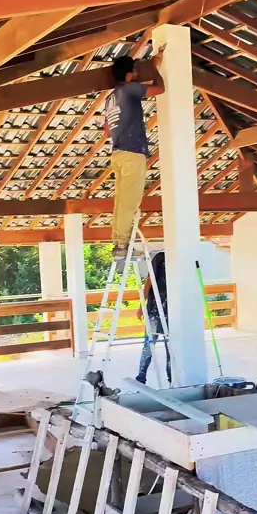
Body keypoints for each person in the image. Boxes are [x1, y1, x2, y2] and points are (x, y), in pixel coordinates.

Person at [104, 53, 165, 260]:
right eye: (136, 72)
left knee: (121, 202)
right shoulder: (129, 89)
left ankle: (119, 244)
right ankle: (122, 245)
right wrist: (155, 66)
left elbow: (107, 130)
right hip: (132, 154)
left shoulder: (110, 99)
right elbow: (160, 88)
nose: (138, 75)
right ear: (128, 75)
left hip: (118, 153)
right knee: (129, 202)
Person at [136, 250, 171, 386]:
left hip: (172, 313)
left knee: (171, 349)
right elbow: (148, 283)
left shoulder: (180, 259)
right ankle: (141, 377)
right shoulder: (160, 258)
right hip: (155, 311)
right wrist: (142, 307)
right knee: (148, 346)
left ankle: (172, 379)